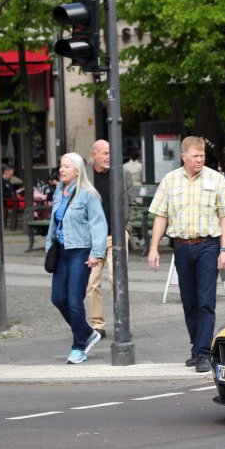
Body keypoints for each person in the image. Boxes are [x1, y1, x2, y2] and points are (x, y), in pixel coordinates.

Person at [146, 136, 225, 372]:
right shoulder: (170, 180)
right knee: (189, 301)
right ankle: (196, 348)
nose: (200, 160)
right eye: (195, 156)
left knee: (205, 301)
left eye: (203, 156)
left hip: (208, 245)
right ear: (184, 156)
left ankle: (203, 353)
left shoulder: (216, 179)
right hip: (180, 246)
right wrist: (154, 247)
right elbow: (160, 216)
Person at [47, 152, 108, 364]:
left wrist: (96, 253)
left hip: (81, 251)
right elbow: (54, 223)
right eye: (61, 166)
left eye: (66, 166)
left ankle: (79, 346)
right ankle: (87, 332)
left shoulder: (88, 194)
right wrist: (49, 246)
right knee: (57, 298)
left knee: (74, 301)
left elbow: (99, 224)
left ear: (77, 170)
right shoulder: (58, 192)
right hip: (62, 251)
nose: (61, 169)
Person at [84, 139, 133, 339]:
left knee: (117, 280)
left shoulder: (123, 174)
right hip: (93, 239)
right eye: (104, 153)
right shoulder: (85, 175)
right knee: (92, 283)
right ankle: (97, 325)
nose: (108, 157)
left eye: (110, 153)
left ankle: (122, 324)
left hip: (117, 236)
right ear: (94, 154)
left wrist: (127, 230)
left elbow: (133, 204)